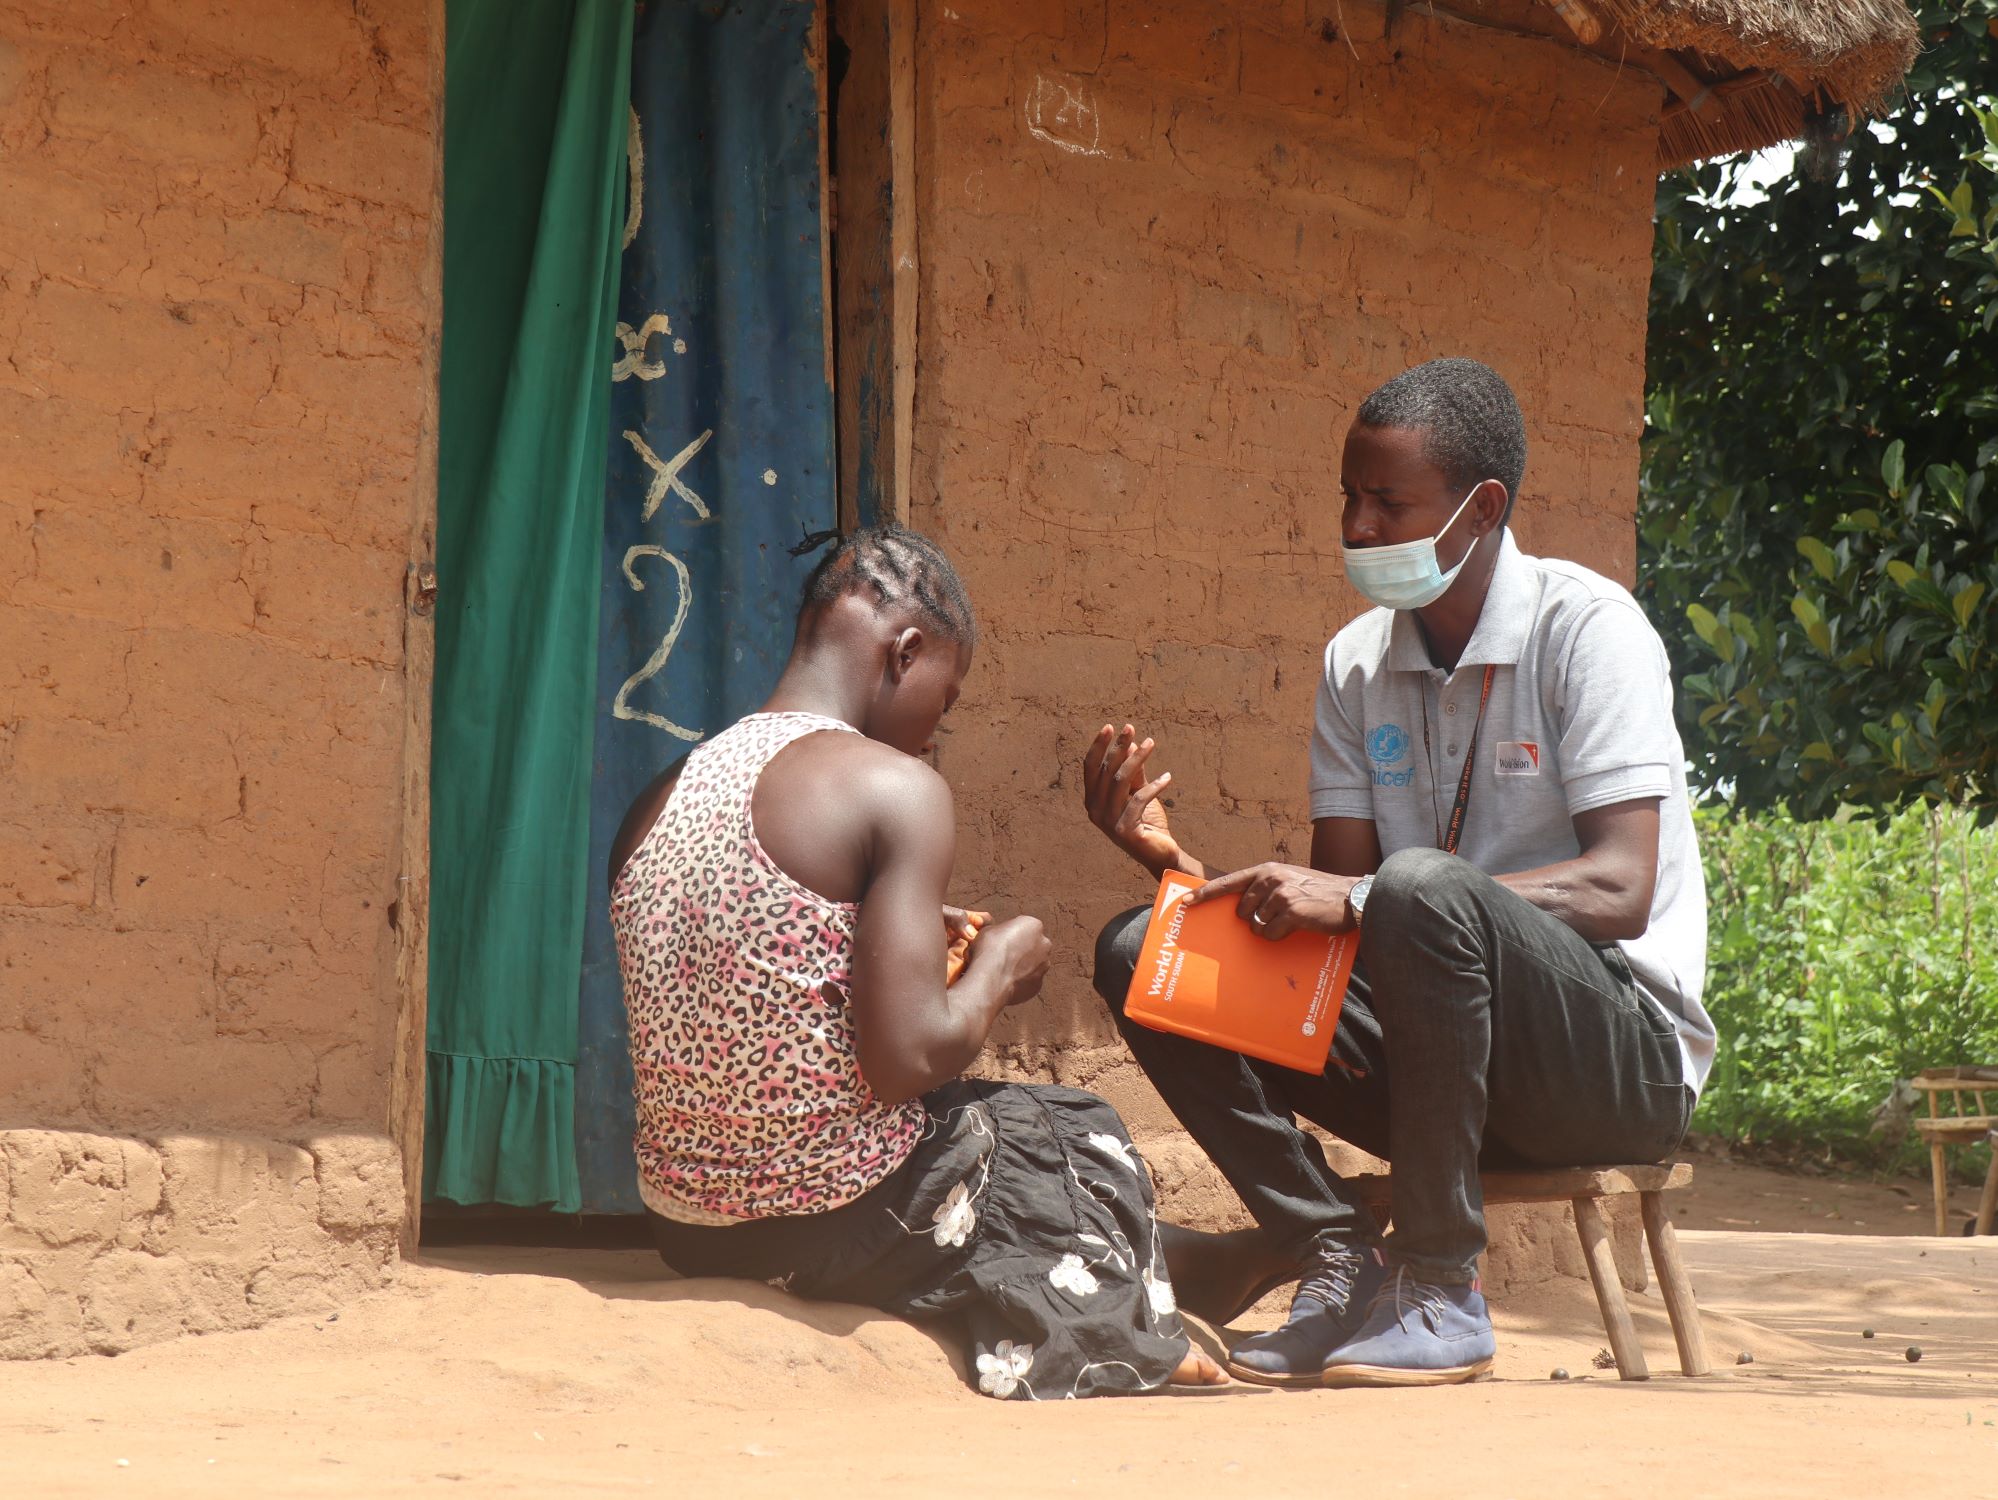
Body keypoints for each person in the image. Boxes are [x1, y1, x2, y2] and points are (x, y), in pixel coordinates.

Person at [1084, 358, 1711, 1387]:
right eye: (1348, 496)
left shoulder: (1586, 631)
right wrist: (1178, 870)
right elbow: (1333, 936)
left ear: (1482, 509)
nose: (1357, 527)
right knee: (1142, 951)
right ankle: (1331, 1249)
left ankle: (1441, 1289)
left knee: (1418, 887)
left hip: (1611, 1064)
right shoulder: (1356, 664)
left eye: (1388, 501)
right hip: (1439, 1064)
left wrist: (1379, 899)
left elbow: (1620, 887)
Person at [609, 523, 1231, 1400]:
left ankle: (1152, 1270)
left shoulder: (664, 791)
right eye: (949, 697)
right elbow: (907, 1061)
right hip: (825, 1219)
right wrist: (999, 967)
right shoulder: (892, 789)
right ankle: (1119, 1330)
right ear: (906, 652)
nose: (938, 731)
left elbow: (753, 983)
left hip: (687, 1226)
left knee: (979, 1142)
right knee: (1063, 1130)